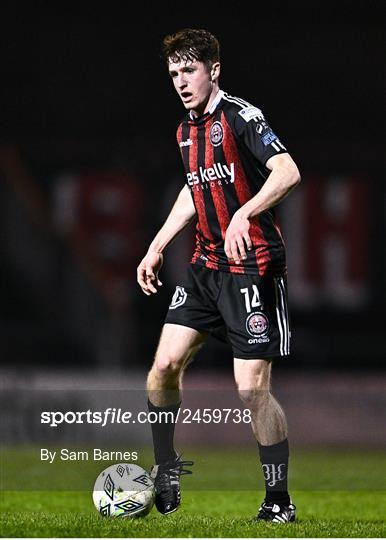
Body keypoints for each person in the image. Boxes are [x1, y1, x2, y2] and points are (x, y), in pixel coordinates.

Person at [137, 28, 301, 523]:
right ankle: (166, 471)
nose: (181, 81)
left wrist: (242, 214)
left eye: (189, 70)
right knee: (163, 366)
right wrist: (157, 244)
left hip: (253, 266)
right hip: (207, 266)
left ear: (214, 70)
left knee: (251, 389)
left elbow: (287, 171)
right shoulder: (185, 131)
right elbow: (194, 189)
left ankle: (278, 502)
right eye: (174, 73)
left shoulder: (240, 116)